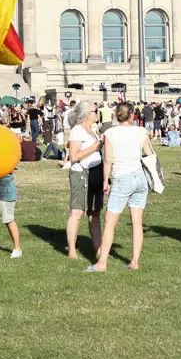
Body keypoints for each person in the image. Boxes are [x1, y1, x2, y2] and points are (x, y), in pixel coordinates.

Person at [89, 103, 153, 272]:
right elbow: (150, 153)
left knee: (110, 221)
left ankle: (102, 262)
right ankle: (135, 261)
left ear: (116, 116)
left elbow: (108, 160)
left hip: (122, 177)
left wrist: (105, 180)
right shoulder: (140, 131)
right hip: (139, 177)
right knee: (137, 222)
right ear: (132, 115)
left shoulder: (111, 133)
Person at [65, 101, 104, 262]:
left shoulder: (91, 130)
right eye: (95, 110)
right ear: (86, 114)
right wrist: (95, 147)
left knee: (94, 212)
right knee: (77, 212)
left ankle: (99, 249)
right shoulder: (77, 131)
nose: (98, 113)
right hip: (81, 173)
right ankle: (72, 250)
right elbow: (74, 156)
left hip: (95, 172)